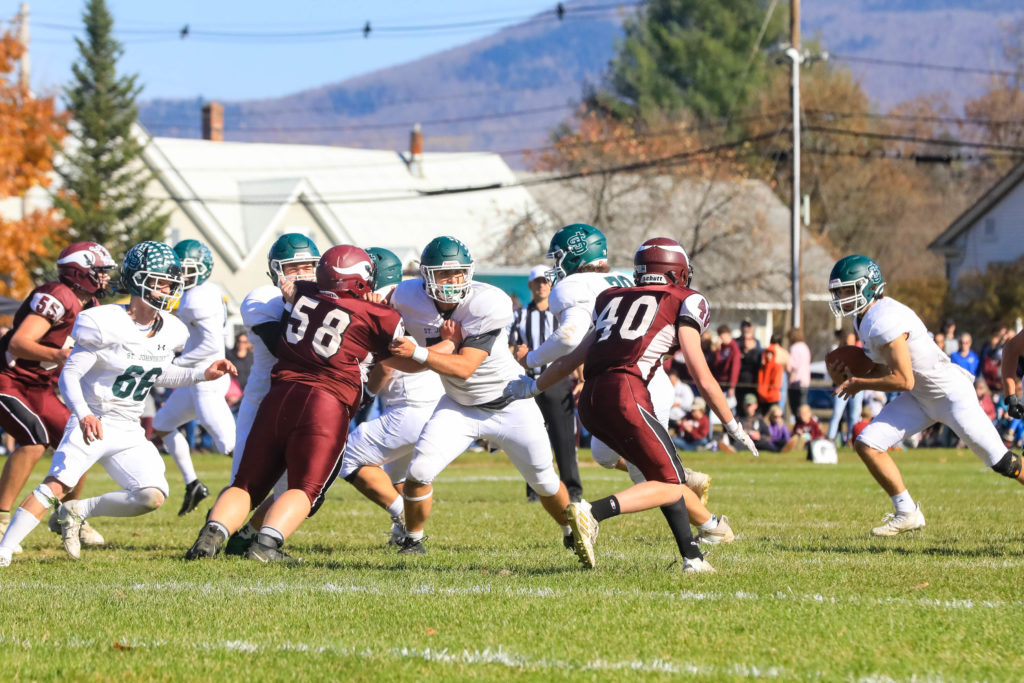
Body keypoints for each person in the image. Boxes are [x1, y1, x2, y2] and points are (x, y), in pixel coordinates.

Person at [505, 237, 759, 573]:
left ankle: (693, 558)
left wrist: (535, 385)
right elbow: (701, 372)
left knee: (659, 477)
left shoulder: (612, 298)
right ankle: (592, 512)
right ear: (676, 271)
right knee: (670, 483)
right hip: (627, 392)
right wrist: (732, 424)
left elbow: (575, 356)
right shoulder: (684, 299)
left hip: (591, 399)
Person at [0, 241, 237, 567]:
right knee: (56, 484)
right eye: (162, 280)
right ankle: (4, 548)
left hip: (128, 428)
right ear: (140, 281)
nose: (169, 288)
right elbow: (70, 375)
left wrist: (202, 374)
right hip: (94, 418)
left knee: (152, 495)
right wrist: (82, 414)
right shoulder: (103, 321)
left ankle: (77, 510)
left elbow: (158, 373)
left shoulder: (171, 329)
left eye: (171, 281)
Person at [186, 245, 403, 562]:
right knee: (306, 488)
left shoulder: (302, 292)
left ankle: (211, 536)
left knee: (246, 484)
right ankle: (266, 546)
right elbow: (399, 356)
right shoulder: (378, 315)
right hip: (325, 405)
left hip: (279, 397)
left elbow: (298, 289)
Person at [382, 236, 575, 555]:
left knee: (544, 481)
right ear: (425, 276)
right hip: (459, 405)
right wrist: (378, 354)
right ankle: (413, 541)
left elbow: (464, 367)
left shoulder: (487, 302)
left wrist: (418, 351)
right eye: (444, 275)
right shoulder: (405, 297)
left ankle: (572, 531)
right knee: (418, 473)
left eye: (458, 273)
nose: (453, 281)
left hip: (510, 403)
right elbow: (416, 362)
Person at [515, 223, 711, 538]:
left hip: (631, 383)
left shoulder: (574, 285)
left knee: (651, 479)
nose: (555, 268)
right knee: (604, 455)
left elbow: (569, 338)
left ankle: (710, 525)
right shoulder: (621, 276)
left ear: (574, 256)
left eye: (559, 259)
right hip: (647, 377)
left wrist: (532, 359)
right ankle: (690, 490)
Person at [828, 254, 1024, 537]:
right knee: (867, 443)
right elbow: (886, 367)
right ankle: (907, 511)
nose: (843, 297)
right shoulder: (863, 319)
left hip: (950, 396)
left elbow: (903, 379)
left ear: (869, 287)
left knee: (1005, 463)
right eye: (840, 291)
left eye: (848, 290)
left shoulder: (883, 320)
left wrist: (859, 382)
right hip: (922, 397)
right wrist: (850, 370)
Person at [0, 242, 116, 554]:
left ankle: (67, 514)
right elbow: (19, 343)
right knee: (34, 440)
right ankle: (0, 519)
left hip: (39, 386)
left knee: (83, 439)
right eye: (100, 272)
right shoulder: (57, 296)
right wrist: (59, 355)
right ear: (80, 271)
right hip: (9, 379)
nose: (105, 278)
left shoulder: (88, 303)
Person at [337, 246, 447, 548]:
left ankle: (402, 520)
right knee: (399, 479)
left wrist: (367, 394)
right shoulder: (413, 297)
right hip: (433, 402)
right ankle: (412, 538)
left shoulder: (383, 305)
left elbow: (385, 365)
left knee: (344, 457)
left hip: (409, 407)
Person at [220, 233, 322, 556]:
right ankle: (215, 536)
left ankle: (250, 536)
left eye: (309, 267)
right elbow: (284, 345)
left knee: (304, 493)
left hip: (303, 405)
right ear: (276, 271)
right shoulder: (262, 298)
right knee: (245, 485)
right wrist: (298, 304)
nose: (303, 274)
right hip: (263, 402)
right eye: (294, 268)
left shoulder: (324, 300)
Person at [152, 239, 237, 517]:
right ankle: (193, 485)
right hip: (198, 376)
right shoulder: (205, 291)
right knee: (162, 424)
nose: (179, 276)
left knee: (229, 445)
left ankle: (258, 489)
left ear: (201, 269)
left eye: (185, 269)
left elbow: (211, 346)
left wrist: (176, 363)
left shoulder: (197, 297)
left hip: (207, 379)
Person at [509, 264, 582, 503]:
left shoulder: (560, 313)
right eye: (537, 282)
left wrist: (581, 377)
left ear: (551, 284)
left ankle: (572, 489)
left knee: (563, 437)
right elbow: (510, 346)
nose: (541, 285)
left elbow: (574, 346)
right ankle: (536, 490)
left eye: (545, 281)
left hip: (557, 380)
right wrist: (517, 354)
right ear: (530, 286)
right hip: (528, 381)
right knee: (530, 437)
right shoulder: (519, 315)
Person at [710, 324, 740, 402]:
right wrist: (717, 350)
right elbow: (716, 364)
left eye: (722, 336)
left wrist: (732, 386)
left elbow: (735, 368)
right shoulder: (721, 348)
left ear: (728, 334)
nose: (721, 338)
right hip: (719, 381)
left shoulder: (734, 348)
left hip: (728, 383)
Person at [786, 328, 811, 418]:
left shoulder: (794, 348)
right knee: (803, 406)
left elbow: (793, 365)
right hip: (805, 381)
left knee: (796, 409)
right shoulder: (805, 347)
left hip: (796, 381)